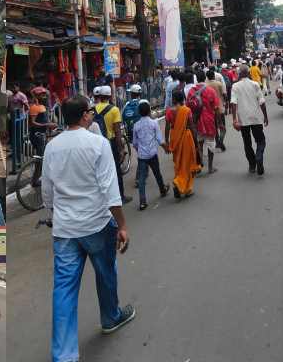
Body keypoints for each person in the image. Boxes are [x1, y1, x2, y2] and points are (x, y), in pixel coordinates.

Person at [41, 95, 135, 362]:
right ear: (84, 115)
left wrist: (54, 215)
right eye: (90, 112)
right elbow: (110, 190)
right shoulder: (98, 144)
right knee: (106, 273)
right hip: (96, 223)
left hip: (65, 229)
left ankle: (64, 355)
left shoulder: (52, 147)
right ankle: (111, 317)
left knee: (64, 289)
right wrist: (122, 224)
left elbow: (47, 192)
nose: (92, 115)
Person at [93, 85, 131, 204]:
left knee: (100, 171)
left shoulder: (93, 109)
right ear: (110, 95)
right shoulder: (114, 110)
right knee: (116, 170)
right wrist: (120, 149)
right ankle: (120, 196)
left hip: (96, 143)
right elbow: (117, 131)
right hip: (111, 143)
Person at [230, 65, 269, 176]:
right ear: (248, 73)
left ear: (239, 74)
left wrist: (234, 120)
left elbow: (233, 103)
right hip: (256, 118)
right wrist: (265, 116)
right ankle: (259, 156)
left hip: (243, 120)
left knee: (247, 143)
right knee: (261, 141)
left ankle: (252, 165)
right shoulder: (255, 84)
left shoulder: (235, 86)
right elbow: (262, 102)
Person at [131, 100, 169, 210]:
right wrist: (166, 147)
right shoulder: (154, 123)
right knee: (157, 173)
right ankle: (162, 190)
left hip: (142, 156)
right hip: (152, 154)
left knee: (142, 179)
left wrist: (140, 151)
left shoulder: (136, 125)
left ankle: (142, 201)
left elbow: (134, 143)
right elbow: (159, 139)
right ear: (149, 111)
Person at [163, 90, 198, 198]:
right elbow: (191, 126)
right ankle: (181, 185)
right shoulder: (187, 110)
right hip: (186, 137)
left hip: (174, 137)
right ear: (183, 99)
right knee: (186, 163)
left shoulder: (169, 111)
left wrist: (167, 141)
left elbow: (167, 127)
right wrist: (196, 141)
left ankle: (180, 185)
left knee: (178, 163)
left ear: (173, 100)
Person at [189, 70, 221, 174]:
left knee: (199, 142)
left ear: (197, 79)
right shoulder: (210, 90)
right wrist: (218, 122)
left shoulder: (191, 91)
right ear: (205, 78)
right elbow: (216, 108)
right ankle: (210, 167)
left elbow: (188, 106)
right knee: (211, 143)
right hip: (209, 120)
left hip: (196, 121)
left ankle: (200, 164)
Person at [206, 69, 228, 151]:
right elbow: (224, 94)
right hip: (220, 108)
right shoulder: (218, 84)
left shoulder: (205, 85)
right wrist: (225, 101)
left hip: (210, 110)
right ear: (213, 76)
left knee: (214, 127)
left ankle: (217, 141)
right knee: (223, 127)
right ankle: (221, 141)